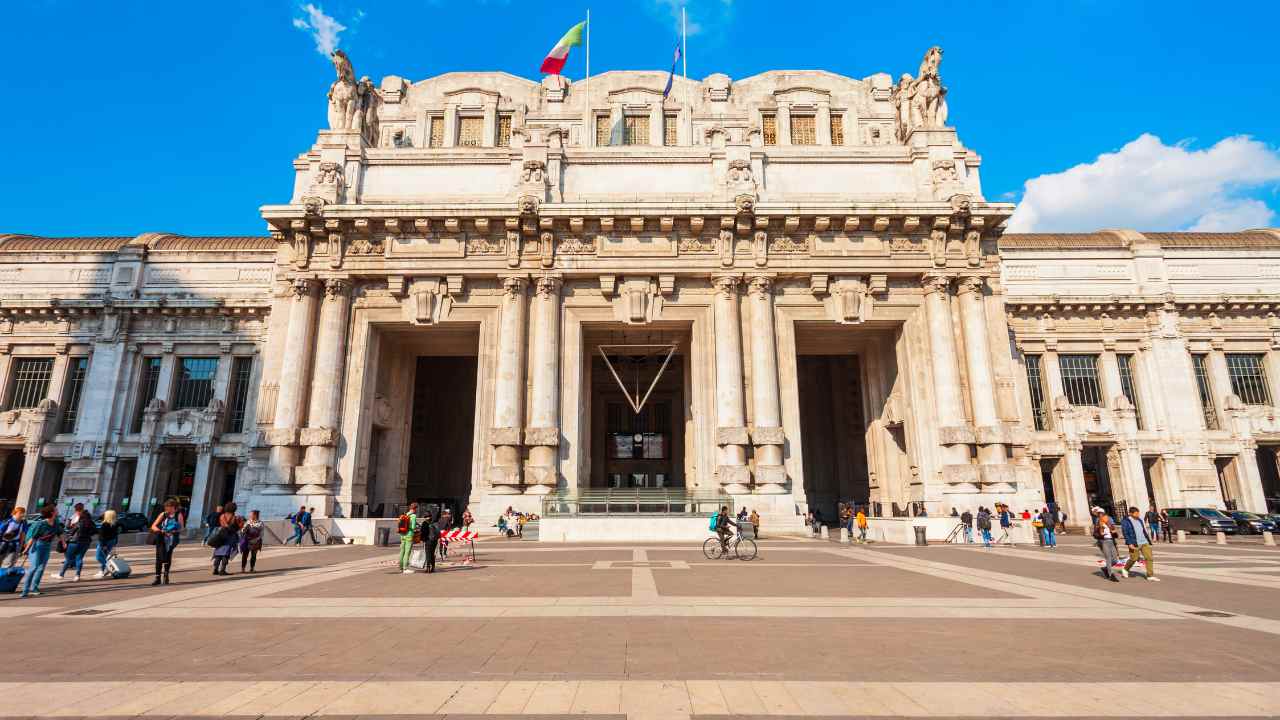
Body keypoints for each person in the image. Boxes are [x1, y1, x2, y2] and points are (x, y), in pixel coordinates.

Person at [20, 505, 61, 598]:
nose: (57, 511)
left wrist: (63, 542)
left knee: (41, 568)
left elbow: (60, 532)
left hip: (47, 546)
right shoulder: (41, 524)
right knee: (34, 567)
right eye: (56, 510)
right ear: (52, 512)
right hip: (37, 545)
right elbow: (33, 537)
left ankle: (34, 588)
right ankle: (25, 590)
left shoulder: (56, 523)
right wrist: (26, 549)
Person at [56, 503, 96, 582]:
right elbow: (95, 531)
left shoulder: (79, 523)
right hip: (86, 542)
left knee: (68, 558)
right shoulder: (90, 522)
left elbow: (70, 532)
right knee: (79, 558)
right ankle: (77, 575)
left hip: (75, 542)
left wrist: (71, 526)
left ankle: (61, 574)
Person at [150, 499, 185, 586]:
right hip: (161, 537)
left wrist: (174, 531)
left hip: (172, 538)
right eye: (166, 507)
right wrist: (161, 531)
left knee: (167, 556)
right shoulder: (163, 514)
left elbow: (182, 528)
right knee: (159, 557)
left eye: (170, 507)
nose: (168, 509)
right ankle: (157, 577)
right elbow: (153, 526)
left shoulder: (178, 515)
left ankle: (166, 575)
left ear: (174, 508)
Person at [1121, 506, 1159, 581]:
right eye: (1136, 513)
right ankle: (1125, 569)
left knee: (1149, 558)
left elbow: (1143, 530)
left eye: (1138, 513)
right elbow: (1125, 533)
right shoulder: (1126, 521)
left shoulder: (1140, 520)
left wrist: (1148, 540)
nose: (1138, 515)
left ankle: (1150, 575)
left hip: (1144, 542)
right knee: (1134, 558)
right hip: (1134, 543)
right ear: (1131, 513)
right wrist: (1129, 543)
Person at [211, 502, 242, 576]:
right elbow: (239, 527)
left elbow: (221, 524)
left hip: (221, 535)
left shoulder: (222, 516)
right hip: (230, 536)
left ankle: (215, 569)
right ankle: (222, 570)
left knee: (218, 552)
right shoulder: (235, 517)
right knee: (226, 553)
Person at [1093, 510, 1120, 582]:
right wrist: (1101, 530)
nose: (1104, 517)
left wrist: (1113, 531)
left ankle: (1105, 568)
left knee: (1115, 560)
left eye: (1104, 515)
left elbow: (1114, 533)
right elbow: (1097, 534)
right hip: (1104, 542)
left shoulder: (1109, 524)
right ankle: (1111, 575)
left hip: (1111, 541)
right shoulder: (1099, 525)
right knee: (1108, 558)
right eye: (1101, 516)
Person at [95, 510, 120, 578]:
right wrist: (115, 544)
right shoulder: (115, 523)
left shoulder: (104, 524)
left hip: (104, 542)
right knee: (106, 557)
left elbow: (102, 536)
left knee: (98, 557)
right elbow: (116, 534)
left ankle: (110, 567)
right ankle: (102, 571)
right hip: (112, 541)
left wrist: (103, 545)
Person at [397, 502, 419, 574]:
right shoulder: (413, 516)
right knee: (407, 552)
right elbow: (412, 527)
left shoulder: (406, 514)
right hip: (409, 535)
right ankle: (405, 568)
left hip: (402, 534)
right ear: (415, 508)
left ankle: (400, 567)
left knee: (402, 551)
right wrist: (416, 527)